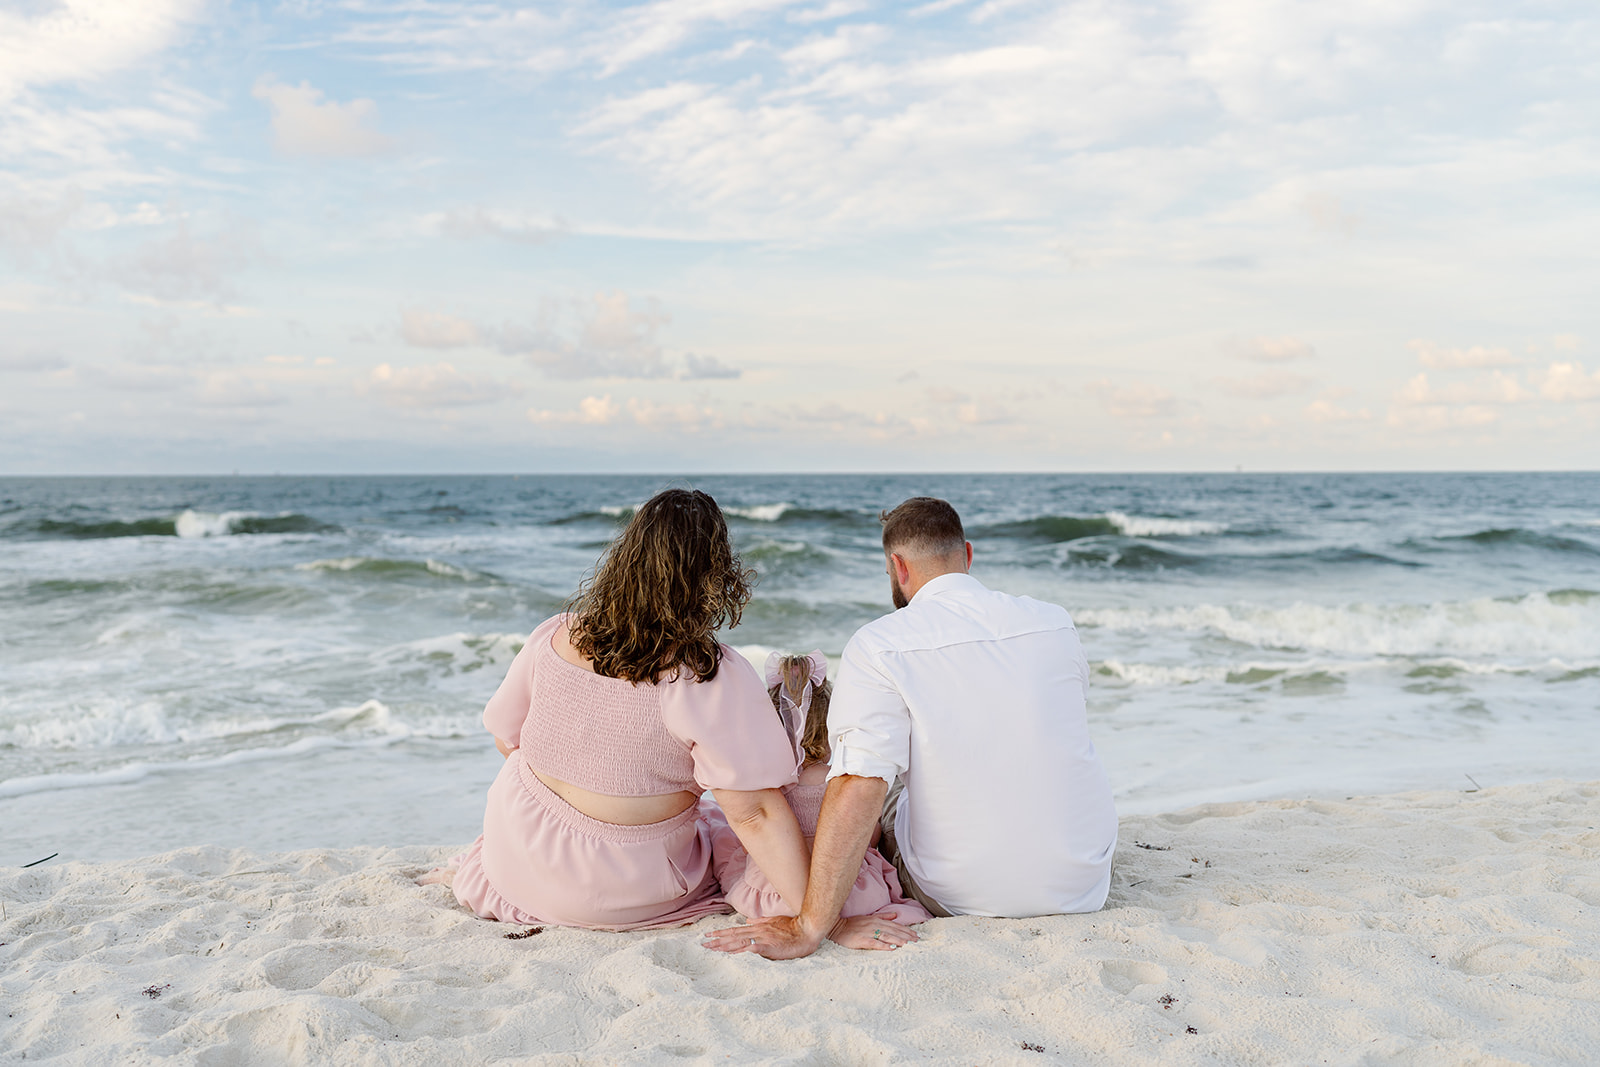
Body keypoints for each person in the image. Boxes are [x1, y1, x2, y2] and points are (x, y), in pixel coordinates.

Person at [704, 496, 1117, 958]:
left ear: (898, 566)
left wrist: (811, 926)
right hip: (1084, 881)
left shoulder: (880, 643)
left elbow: (860, 783)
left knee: (886, 784)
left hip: (960, 895)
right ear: (968, 555)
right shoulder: (1055, 622)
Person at [420, 489, 811, 931]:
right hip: (615, 887)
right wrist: (814, 917)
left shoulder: (556, 634)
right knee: (725, 827)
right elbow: (754, 813)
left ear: (625, 558)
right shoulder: (706, 675)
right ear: (715, 575)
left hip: (513, 855)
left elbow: (505, 738)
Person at [705, 650, 931, 927]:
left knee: (724, 836)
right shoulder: (840, 780)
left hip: (774, 895)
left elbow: (753, 835)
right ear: (830, 730)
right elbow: (865, 836)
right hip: (848, 895)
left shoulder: (768, 784)